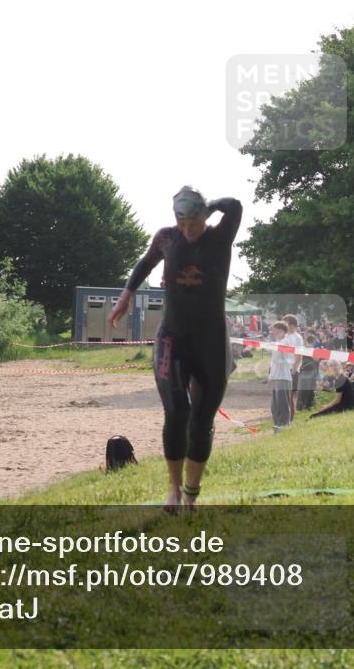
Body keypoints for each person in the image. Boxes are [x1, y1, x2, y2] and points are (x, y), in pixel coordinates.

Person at [109, 186, 241, 513]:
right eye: (181, 223)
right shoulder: (167, 238)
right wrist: (126, 295)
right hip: (172, 338)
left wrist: (208, 205)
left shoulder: (220, 237)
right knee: (176, 411)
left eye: (192, 223)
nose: (187, 230)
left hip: (211, 343)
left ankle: (191, 492)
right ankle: (172, 490)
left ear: (204, 217)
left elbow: (234, 205)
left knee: (200, 422)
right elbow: (144, 264)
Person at [267, 321, 294, 432]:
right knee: (275, 405)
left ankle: (283, 425)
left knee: (283, 404)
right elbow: (274, 362)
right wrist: (270, 376)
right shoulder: (278, 343)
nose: (272, 332)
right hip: (277, 377)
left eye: (274, 330)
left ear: (281, 330)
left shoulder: (285, 342)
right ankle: (277, 424)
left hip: (283, 377)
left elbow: (287, 359)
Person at [282, 314, 304, 420]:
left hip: (292, 370)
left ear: (292, 325)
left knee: (290, 396)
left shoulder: (297, 338)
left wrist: (294, 370)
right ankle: (283, 416)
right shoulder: (284, 336)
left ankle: (290, 419)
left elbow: (299, 356)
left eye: (286, 323)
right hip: (283, 369)